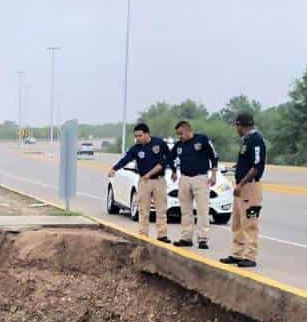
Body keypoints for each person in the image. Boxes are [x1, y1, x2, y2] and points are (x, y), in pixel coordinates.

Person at [108, 123, 172, 243]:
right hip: (144, 181)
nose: (138, 138)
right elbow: (125, 160)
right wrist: (114, 168)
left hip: (159, 180)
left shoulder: (159, 143)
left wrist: (173, 170)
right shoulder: (136, 148)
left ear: (147, 134)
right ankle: (143, 234)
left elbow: (168, 158)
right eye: (136, 136)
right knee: (143, 209)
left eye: (140, 135)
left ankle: (162, 235)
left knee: (161, 209)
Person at [221, 112, 267, 268]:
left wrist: (241, 184)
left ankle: (250, 256)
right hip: (241, 187)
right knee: (238, 222)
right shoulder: (246, 141)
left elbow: (256, 166)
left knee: (249, 223)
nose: (236, 129)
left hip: (250, 187)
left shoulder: (256, 141)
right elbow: (247, 163)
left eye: (237, 126)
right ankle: (237, 253)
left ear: (241, 125)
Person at [169, 120, 218, 250]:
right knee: (185, 210)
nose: (179, 136)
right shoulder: (179, 145)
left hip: (200, 178)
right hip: (184, 178)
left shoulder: (202, 140)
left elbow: (214, 156)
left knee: (202, 210)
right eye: (177, 134)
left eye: (181, 133)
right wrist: (174, 171)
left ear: (188, 130)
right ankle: (186, 238)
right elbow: (170, 157)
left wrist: (213, 174)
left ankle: (202, 239)